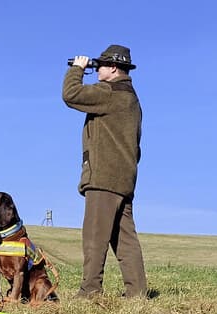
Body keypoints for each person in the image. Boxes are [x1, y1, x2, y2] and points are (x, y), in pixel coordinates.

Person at [62, 44, 147, 298]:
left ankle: (90, 291)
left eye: (101, 66)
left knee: (94, 237)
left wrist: (77, 68)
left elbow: (71, 94)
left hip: (104, 178)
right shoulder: (131, 99)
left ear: (113, 68)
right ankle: (137, 293)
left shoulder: (109, 92)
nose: (97, 69)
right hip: (124, 178)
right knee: (125, 239)